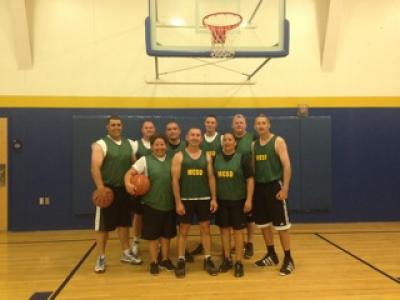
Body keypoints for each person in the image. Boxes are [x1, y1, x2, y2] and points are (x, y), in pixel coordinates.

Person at [91, 115, 142, 274]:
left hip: (124, 190)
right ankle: (100, 257)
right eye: (113, 125)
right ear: (107, 127)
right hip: (107, 190)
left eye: (118, 124)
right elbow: (95, 168)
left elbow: (135, 166)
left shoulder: (130, 144)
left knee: (124, 223)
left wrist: (137, 183)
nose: (116, 127)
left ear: (122, 126)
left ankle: (126, 253)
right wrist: (100, 188)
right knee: (103, 227)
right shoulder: (101, 145)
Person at [125, 134, 176, 275]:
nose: (159, 147)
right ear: (152, 146)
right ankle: (153, 261)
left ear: (166, 146)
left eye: (162, 144)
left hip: (169, 204)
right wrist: (128, 183)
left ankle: (165, 259)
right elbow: (129, 173)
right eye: (156, 145)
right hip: (151, 204)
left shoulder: (172, 161)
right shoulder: (145, 160)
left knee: (167, 235)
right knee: (153, 237)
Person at [172, 127, 218, 278]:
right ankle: (181, 260)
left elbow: (211, 178)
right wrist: (178, 202)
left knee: (205, 229)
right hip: (186, 199)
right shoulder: (179, 156)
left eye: (198, 135)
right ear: (187, 137)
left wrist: (214, 198)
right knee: (184, 230)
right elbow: (175, 181)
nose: (195, 137)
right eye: (192, 134)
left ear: (201, 138)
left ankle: (208, 258)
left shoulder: (206, 157)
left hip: (204, 198)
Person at [252, 113, 295, 276]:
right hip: (259, 188)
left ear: (269, 125)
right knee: (263, 225)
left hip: (274, 187)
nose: (261, 126)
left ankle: (289, 258)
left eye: (263, 123)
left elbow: (287, 165)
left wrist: (285, 189)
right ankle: (271, 254)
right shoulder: (254, 145)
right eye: (258, 123)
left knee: (282, 226)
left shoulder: (278, 141)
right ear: (255, 126)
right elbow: (255, 169)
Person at [214, 132, 254, 277]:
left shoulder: (243, 158)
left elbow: (250, 180)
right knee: (224, 231)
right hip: (222, 200)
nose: (227, 142)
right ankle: (227, 259)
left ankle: (239, 262)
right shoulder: (215, 159)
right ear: (222, 142)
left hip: (238, 200)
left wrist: (249, 200)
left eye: (230, 139)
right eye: (225, 140)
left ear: (235, 143)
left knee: (238, 232)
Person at [190, 114, 223, 256]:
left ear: (216, 125)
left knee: (223, 217)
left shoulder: (221, 139)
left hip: (220, 180)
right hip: (203, 182)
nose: (210, 124)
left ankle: (227, 245)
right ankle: (203, 244)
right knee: (204, 220)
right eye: (208, 122)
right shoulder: (199, 139)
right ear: (205, 124)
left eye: (212, 122)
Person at [130, 120, 156, 259]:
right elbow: (133, 165)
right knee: (138, 216)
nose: (149, 129)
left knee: (155, 214)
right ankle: (135, 241)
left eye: (151, 127)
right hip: (141, 187)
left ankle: (156, 241)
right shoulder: (135, 145)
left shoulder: (158, 144)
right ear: (142, 130)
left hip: (156, 186)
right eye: (146, 127)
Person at [231, 114, 256, 258]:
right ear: (232, 125)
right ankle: (236, 242)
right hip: (233, 182)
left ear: (246, 124)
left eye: (241, 122)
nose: (239, 125)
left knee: (249, 214)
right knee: (236, 213)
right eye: (236, 123)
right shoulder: (228, 139)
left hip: (249, 180)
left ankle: (250, 242)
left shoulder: (252, 139)